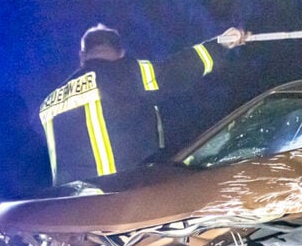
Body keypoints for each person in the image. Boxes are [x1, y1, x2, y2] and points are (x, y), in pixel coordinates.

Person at [39, 24, 248, 185]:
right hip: (119, 197)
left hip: (69, 208)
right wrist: (219, 44)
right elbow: (175, 70)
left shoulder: (49, 102)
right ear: (121, 53)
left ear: (82, 55)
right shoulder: (125, 73)